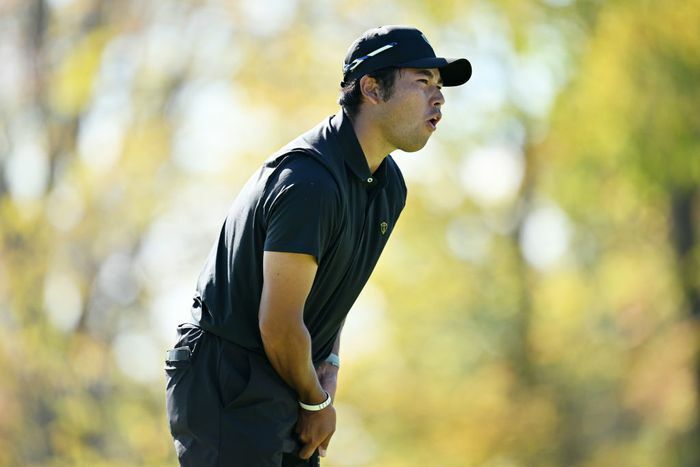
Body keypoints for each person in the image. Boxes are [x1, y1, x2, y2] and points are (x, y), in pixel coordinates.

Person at [164, 25, 472, 466]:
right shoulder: (310, 182)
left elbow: (335, 292)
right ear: (372, 89)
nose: (438, 98)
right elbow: (278, 323)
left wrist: (328, 369)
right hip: (227, 377)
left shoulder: (388, 187)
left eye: (440, 87)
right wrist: (315, 401)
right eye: (422, 82)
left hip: (289, 370)